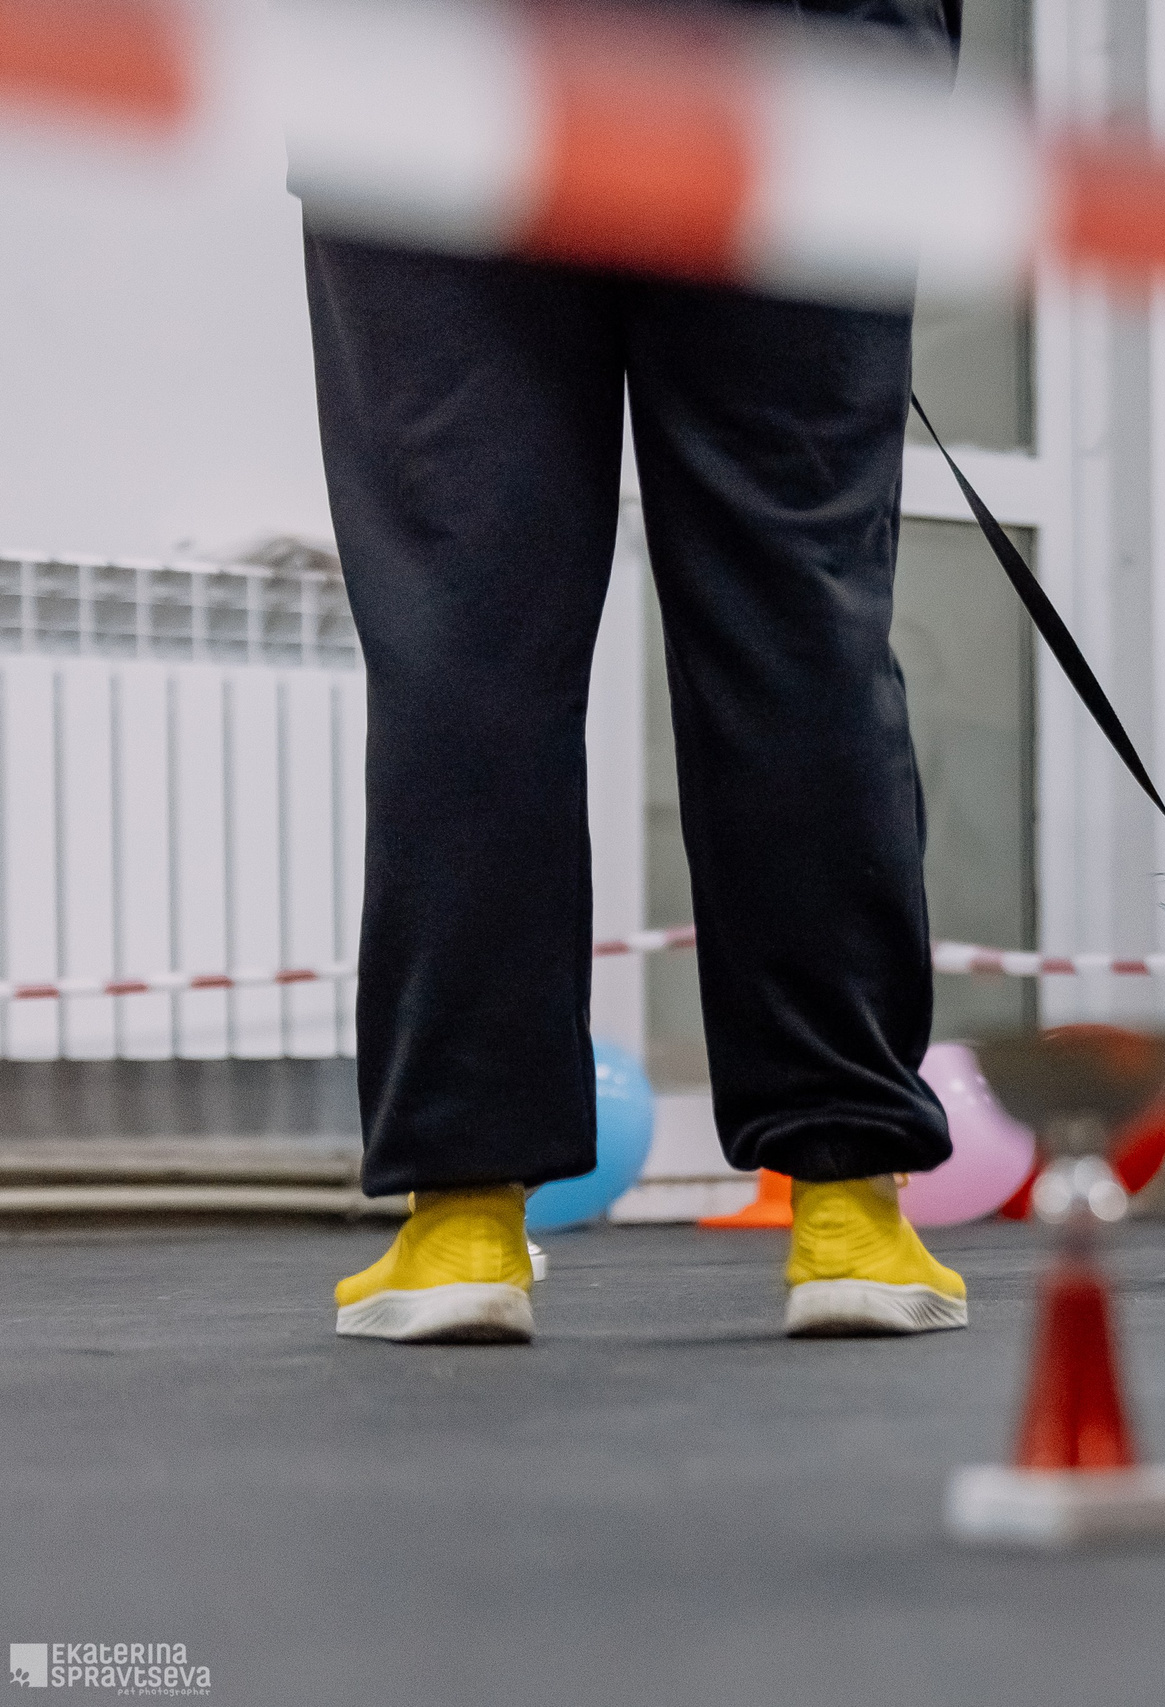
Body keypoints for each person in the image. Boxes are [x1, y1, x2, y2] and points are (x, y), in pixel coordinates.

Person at [313, 0, 971, 1344]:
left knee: (465, 633)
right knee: (796, 617)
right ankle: (848, 1200)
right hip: (795, 63)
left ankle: (463, 1220)